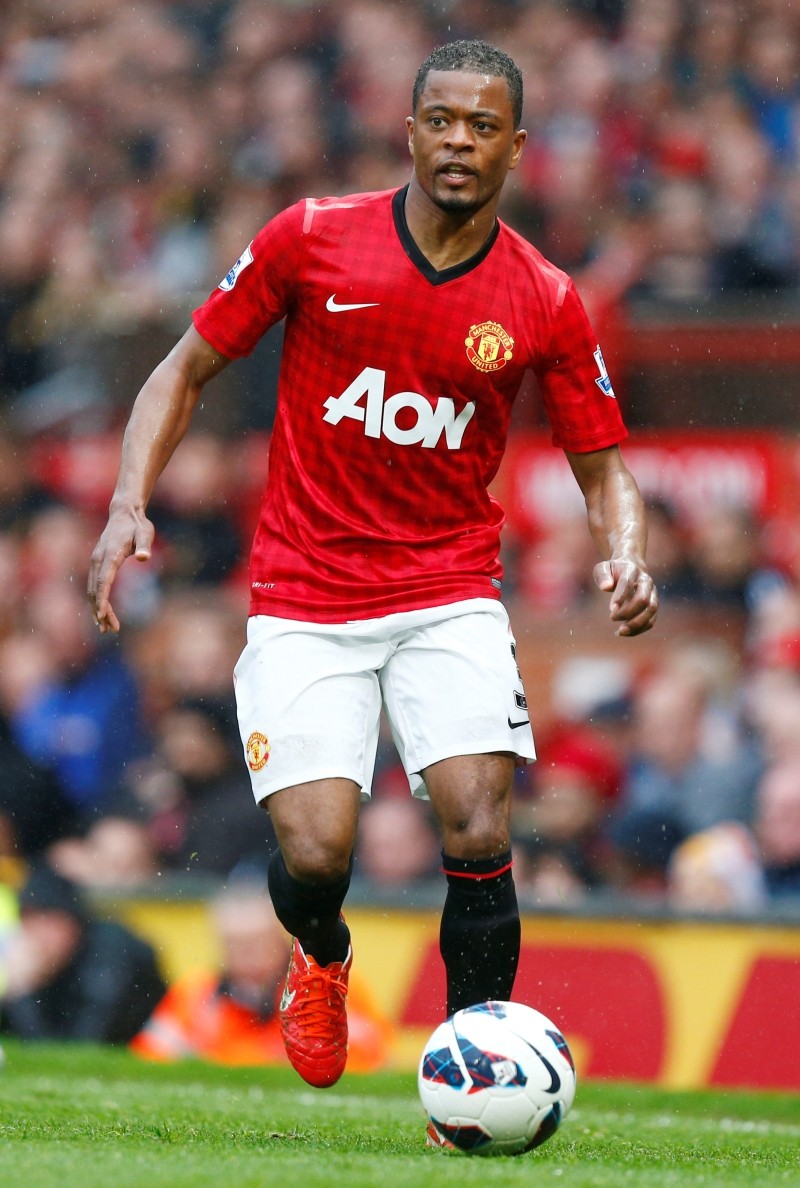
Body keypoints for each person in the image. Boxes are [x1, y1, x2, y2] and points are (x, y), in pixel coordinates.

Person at [88, 39, 657, 1105]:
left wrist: (624, 551)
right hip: (304, 590)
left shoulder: (540, 295)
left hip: (447, 589)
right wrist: (128, 504)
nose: (457, 141)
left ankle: (472, 1075)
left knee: (479, 819)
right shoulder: (311, 239)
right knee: (314, 852)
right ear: (409, 128)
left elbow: (604, 469)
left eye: (481, 126)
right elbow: (183, 368)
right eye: (440, 119)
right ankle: (320, 954)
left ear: (516, 148)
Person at [131, 883, 392, 1069]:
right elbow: (151, 1059)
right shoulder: (195, 994)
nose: (245, 956)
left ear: (280, 941)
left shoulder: (328, 983)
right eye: (234, 945)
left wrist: (238, 1059)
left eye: (255, 944)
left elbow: (368, 1054)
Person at [0, 862, 166, 1043]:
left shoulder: (111, 953)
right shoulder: (38, 962)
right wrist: (17, 989)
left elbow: (86, 1043)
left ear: (72, 924)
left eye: (47, 922)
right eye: (29, 923)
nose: (37, 936)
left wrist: (23, 995)